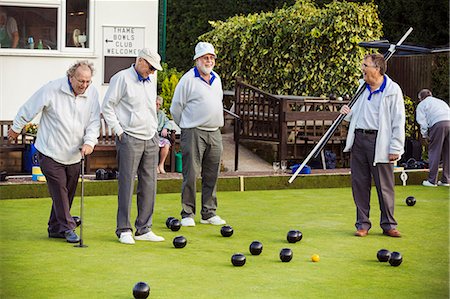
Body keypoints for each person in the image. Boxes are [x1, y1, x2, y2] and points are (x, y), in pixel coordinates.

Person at [7, 61, 100, 243]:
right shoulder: (52, 89)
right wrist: (17, 127)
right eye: (81, 81)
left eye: (88, 81)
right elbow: (29, 107)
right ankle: (68, 227)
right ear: (71, 77)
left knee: (68, 192)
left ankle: (55, 227)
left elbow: (94, 121)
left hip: (74, 153)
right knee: (59, 190)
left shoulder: (92, 93)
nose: (84, 85)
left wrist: (89, 142)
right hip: (50, 151)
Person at [102, 48, 165, 244]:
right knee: (127, 184)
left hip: (150, 138)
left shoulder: (150, 80)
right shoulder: (121, 78)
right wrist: (119, 131)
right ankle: (123, 229)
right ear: (140, 60)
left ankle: (144, 228)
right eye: (151, 67)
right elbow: (107, 106)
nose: (153, 72)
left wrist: (154, 129)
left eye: (155, 69)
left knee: (149, 184)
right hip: (129, 137)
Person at [340, 53, 405, 238]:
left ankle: (389, 225)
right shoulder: (361, 87)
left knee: (385, 186)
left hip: (381, 142)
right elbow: (356, 113)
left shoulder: (392, 90)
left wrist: (396, 148)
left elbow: (398, 121)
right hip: (359, 139)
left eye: (365, 65)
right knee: (359, 183)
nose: (362, 68)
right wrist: (347, 113)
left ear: (377, 69)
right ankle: (362, 224)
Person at [170, 42, 226, 227]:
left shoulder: (216, 79)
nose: (208, 60)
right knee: (191, 174)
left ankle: (208, 213)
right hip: (194, 131)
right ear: (197, 60)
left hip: (215, 131)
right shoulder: (187, 80)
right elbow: (176, 108)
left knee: (212, 174)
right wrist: (186, 126)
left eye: (211, 57)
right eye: (205, 57)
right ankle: (187, 213)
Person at [416, 89, 450, 187]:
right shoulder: (440, 101)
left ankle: (432, 181)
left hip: (437, 124)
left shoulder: (422, 105)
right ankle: (446, 180)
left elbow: (422, 122)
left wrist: (425, 135)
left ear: (421, 98)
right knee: (448, 152)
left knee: (434, 151)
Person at [156, 95, 172, 174]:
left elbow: (168, 122)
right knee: (154, 144)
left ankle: (161, 165)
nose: (157, 106)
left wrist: (165, 128)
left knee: (166, 144)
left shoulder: (162, 114)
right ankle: (154, 166)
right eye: (156, 104)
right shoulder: (149, 113)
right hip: (151, 136)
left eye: (159, 105)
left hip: (160, 136)